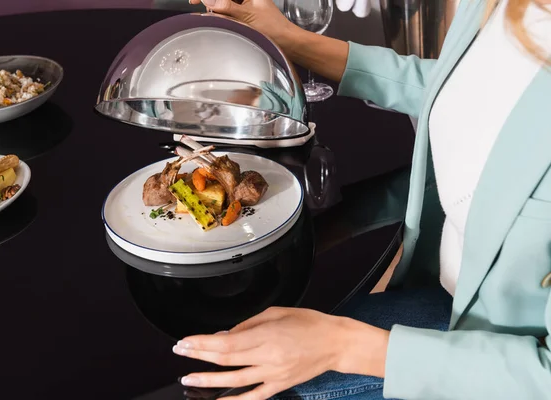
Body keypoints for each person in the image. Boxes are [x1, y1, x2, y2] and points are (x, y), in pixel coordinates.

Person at [171, 0, 551, 398]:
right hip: (448, 298)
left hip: (490, 366)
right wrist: (294, 41)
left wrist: (343, 346)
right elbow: (463, 92)